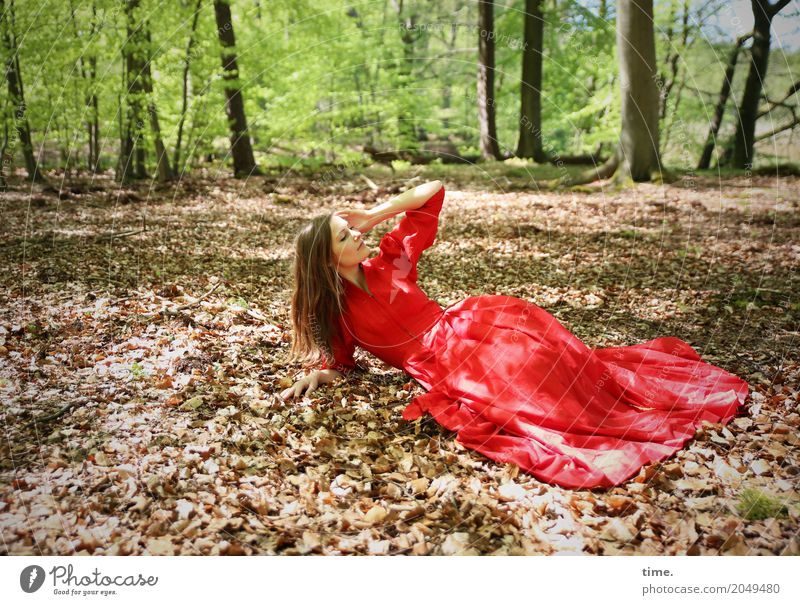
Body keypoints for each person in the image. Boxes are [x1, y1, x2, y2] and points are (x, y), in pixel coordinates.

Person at [281, 180, 749, 489]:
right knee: (523, 402)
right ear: (325, 261)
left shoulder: (392, 258)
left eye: (352, 230)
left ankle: (616, 396)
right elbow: (342, 364)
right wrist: (322, 375)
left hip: (471, 328)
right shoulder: (340, 314)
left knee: (544, 356)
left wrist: (372, 213)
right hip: (443, 369)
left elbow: (433, 192)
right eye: (345, 237)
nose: (357, 237)